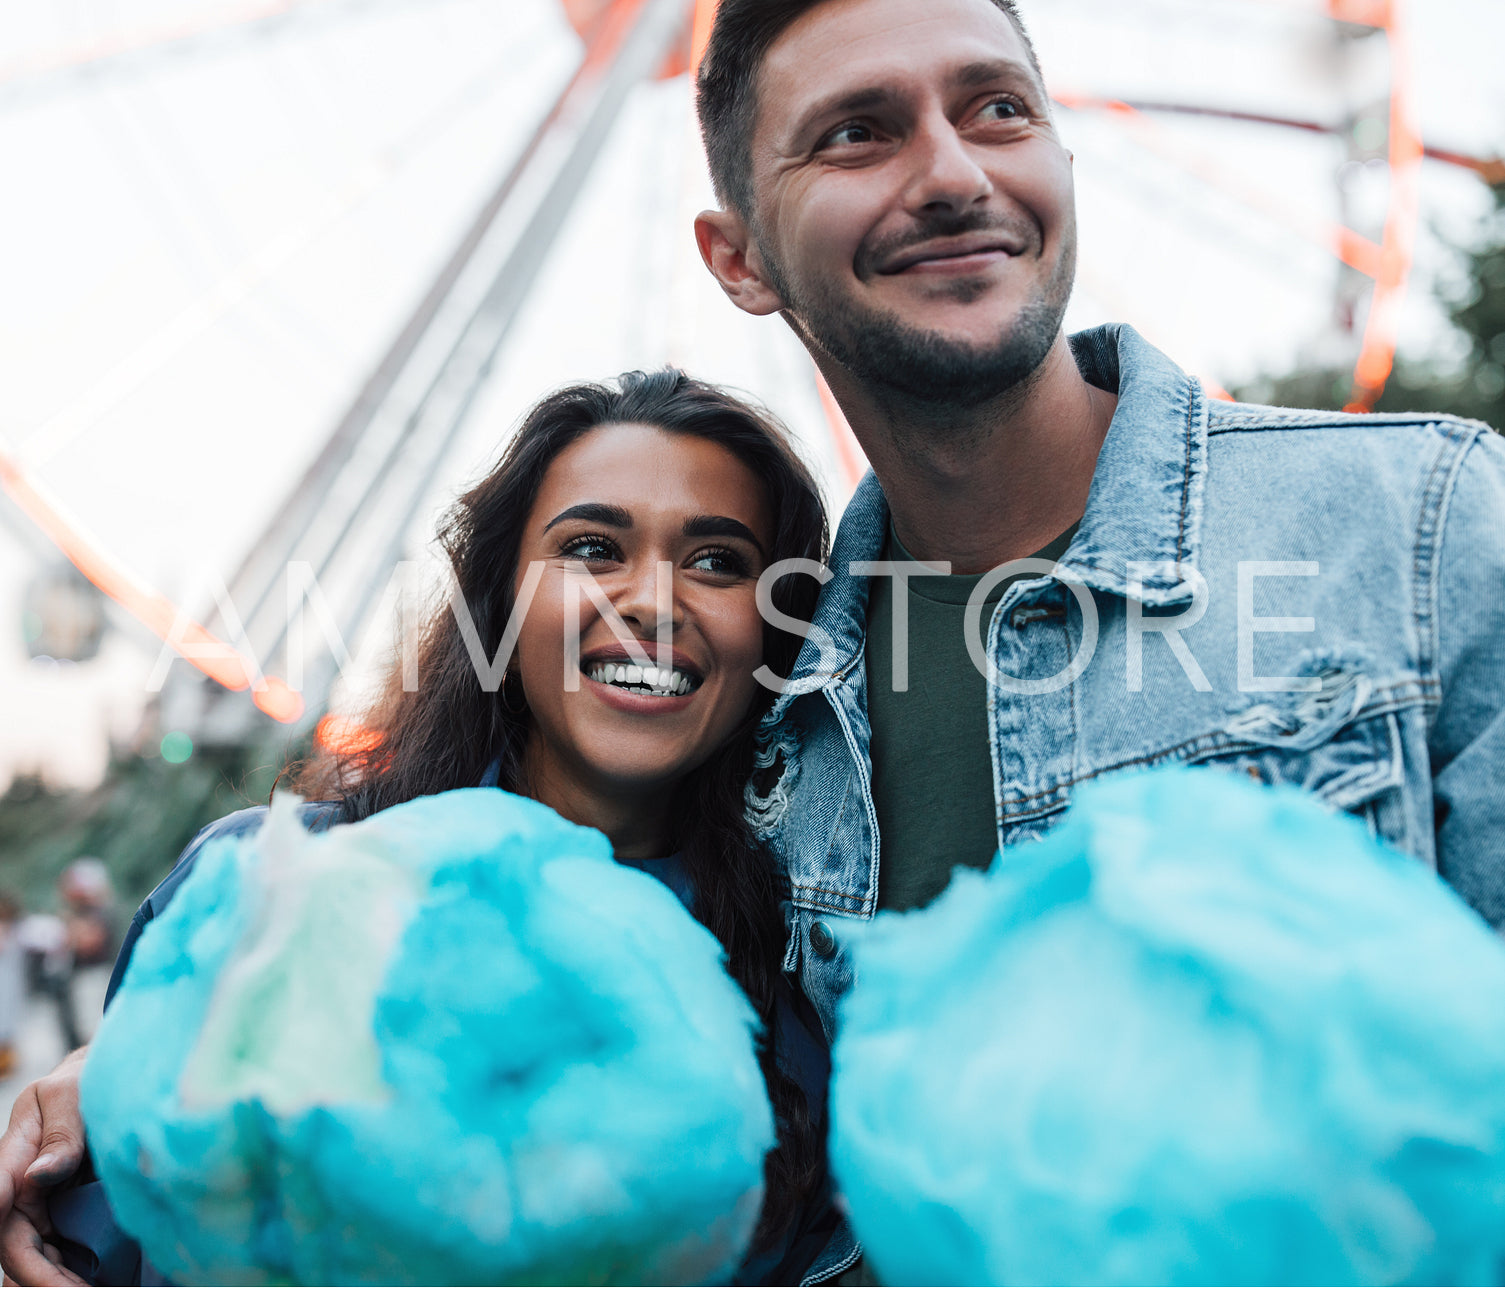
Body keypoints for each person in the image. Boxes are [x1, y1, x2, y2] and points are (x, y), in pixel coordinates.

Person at [0, 369, 851, 1286]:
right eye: (594, 547)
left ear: (779, 634)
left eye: (719, 561)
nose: (650, 600)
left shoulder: (806, 989)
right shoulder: (263, 888)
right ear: (500, 601)